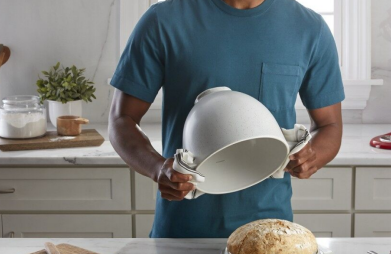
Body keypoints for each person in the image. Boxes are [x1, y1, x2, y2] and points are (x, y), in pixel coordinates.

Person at [109, 0, 345, 238]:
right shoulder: (163, 21)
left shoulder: (310, 29)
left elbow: (330, 125)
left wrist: (311, 156)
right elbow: (122, 119)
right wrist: (157, 168)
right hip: (182, 230)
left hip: (270, 234)